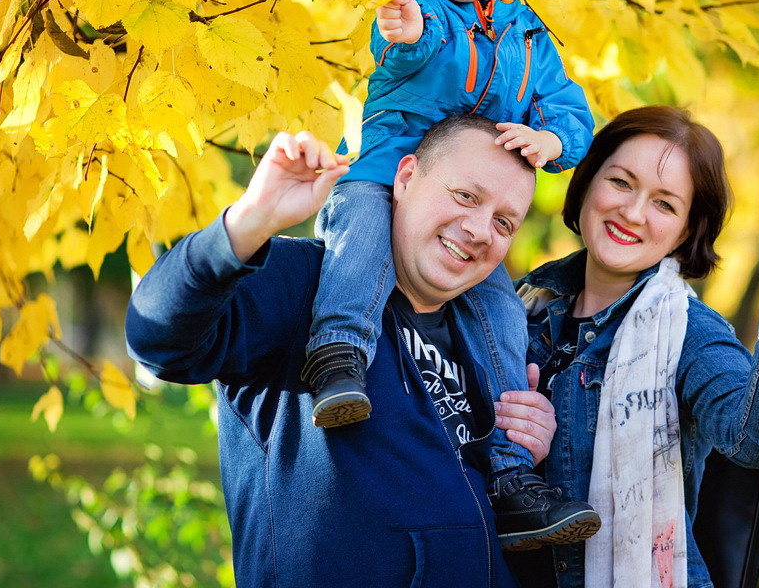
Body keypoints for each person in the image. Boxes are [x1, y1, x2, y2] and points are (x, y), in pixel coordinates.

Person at [125, 115, 596, 587]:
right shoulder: (306, 283)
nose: (479, 229)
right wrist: (251, 220)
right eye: (465, 196)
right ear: (406, 176)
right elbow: (157, 338)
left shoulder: (492, 337)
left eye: (503, 222)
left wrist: (526, 446)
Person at [303, 0, 596, 548]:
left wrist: (553, 142)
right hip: (386, 174)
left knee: (501, 313)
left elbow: (571, 109)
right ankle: (338, 356)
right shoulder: (419, 9)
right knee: (363, 240)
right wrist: (401, 32)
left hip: (464, 211)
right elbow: (413, 46)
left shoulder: (527, 33)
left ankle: (507, 469)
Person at [494, 105, 759, 588]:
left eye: (665, 203)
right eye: (620, 182)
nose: (633, 212)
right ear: (588, 182)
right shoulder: (512, 304)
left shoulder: (688, 332)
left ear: (686, 231)